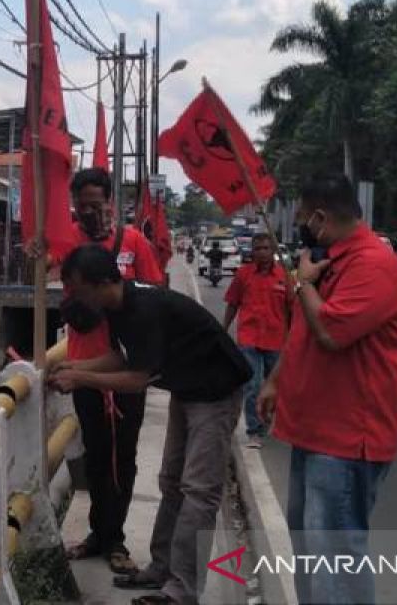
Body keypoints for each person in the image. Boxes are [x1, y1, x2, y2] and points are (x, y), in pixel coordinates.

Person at [51, 244, 251, 605]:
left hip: (215, 392)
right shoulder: (118, 306)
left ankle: (182, 590)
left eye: (79, 290)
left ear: (101, 283)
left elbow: (137, 379)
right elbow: (120, 356)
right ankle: (163, 567)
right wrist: (75, 368)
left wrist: (80, 377)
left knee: (198, 491)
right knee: (171, 482)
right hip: (187, 389)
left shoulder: (144, 308)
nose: (75, 299)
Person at [257, 173, 397, 605]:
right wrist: (275, 380)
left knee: (335, 555)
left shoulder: (372, 264)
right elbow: (305, 329)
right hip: (316, 432)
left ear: (321, 218)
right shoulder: (333, 260)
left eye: (304, 219)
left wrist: (303, 282)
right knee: (309, 549)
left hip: (346, 440)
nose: (301, 226)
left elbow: (330, 330)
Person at [52, 168, 164, 574]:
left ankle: (116, 538)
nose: (89, 215)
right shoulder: (67, 242)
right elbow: (45, 271)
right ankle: (99, 533)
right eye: (81, 208)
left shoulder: (134, 243)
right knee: (96, 454)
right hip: (84, 365)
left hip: (127, 366)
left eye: (96, 207)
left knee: (124, 455)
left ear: (111, 204)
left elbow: (155, 294)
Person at [223, 232, 290, 449]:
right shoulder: (243, 275)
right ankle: (255, 430)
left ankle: (269, 418)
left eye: (266, 248)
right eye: (258, 248)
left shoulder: (285, 277)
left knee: (276, 387)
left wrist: (293, 338)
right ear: (251, 251)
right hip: (249, 337)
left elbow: (293, 310)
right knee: (252, 385)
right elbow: (233, 303)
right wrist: (222, 329)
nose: (262, 252)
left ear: (273, 251)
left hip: (276, 340)